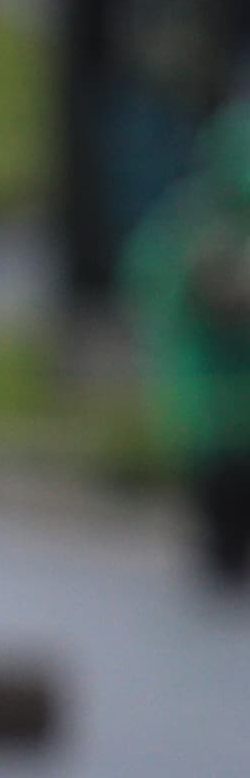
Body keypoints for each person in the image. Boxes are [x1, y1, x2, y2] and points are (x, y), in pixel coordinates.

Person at [126, 95, 250, 592]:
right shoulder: (196, 226)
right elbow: (154, 276)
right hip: (212, 407)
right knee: (222, 513)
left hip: (213, 407)